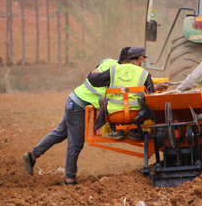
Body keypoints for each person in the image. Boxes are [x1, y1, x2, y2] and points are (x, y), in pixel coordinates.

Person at [22, 47, 134, 185]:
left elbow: (92, 74)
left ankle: (32, 155)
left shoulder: (108, 62)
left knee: (60, 132)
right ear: (126, 62)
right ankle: (69, 180)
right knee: (75, 143)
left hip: (74, 99)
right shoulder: (120, 74)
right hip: (78, 105)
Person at [89, 46, 170, 140]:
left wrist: (94, 73)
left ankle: (116, 131)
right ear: (141, 58)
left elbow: (93, 81)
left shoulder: (114, 69)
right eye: (144, 58)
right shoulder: (144, 73)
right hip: (136, 115)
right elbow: (150, 94)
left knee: (102, 99)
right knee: (144, 100)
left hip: (115, 114)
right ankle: (136, 132)